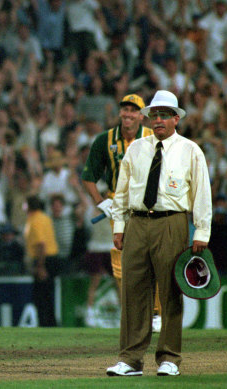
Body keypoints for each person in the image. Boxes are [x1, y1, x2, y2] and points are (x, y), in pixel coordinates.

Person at [106, 90, 212, 377]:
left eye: (164, 115)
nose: (158, 120)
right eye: (154, 115)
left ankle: (169, 357)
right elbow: (122, 191)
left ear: (177, 118)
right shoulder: (136, 149)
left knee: (170, 291)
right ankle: (130, 359)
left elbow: (202, 192)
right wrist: (119, 226)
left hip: (172, 221)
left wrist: (201, 230)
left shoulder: (190, 150)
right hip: (137, 222)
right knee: (133, 291)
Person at [80, 94, 162, 332]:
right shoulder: (105, 140)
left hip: (149, 204)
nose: (128, 114)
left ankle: (155, 313)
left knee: (153, 257)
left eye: (133, 110)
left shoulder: (152, 136)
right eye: (125, 109)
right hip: (119, 204)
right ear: (120, 113)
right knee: (120, 261)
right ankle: (132, 313)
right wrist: (100, 202)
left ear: (141, 115)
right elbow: (88, 177)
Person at [24, 196, 60, 327]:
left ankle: (45, 324)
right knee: (47, 295)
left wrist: (40, 267)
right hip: (50, 259)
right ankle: (50, 323)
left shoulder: (35, 220)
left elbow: (41, 244)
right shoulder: (45, 217)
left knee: (41, 296)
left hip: (44, 260)